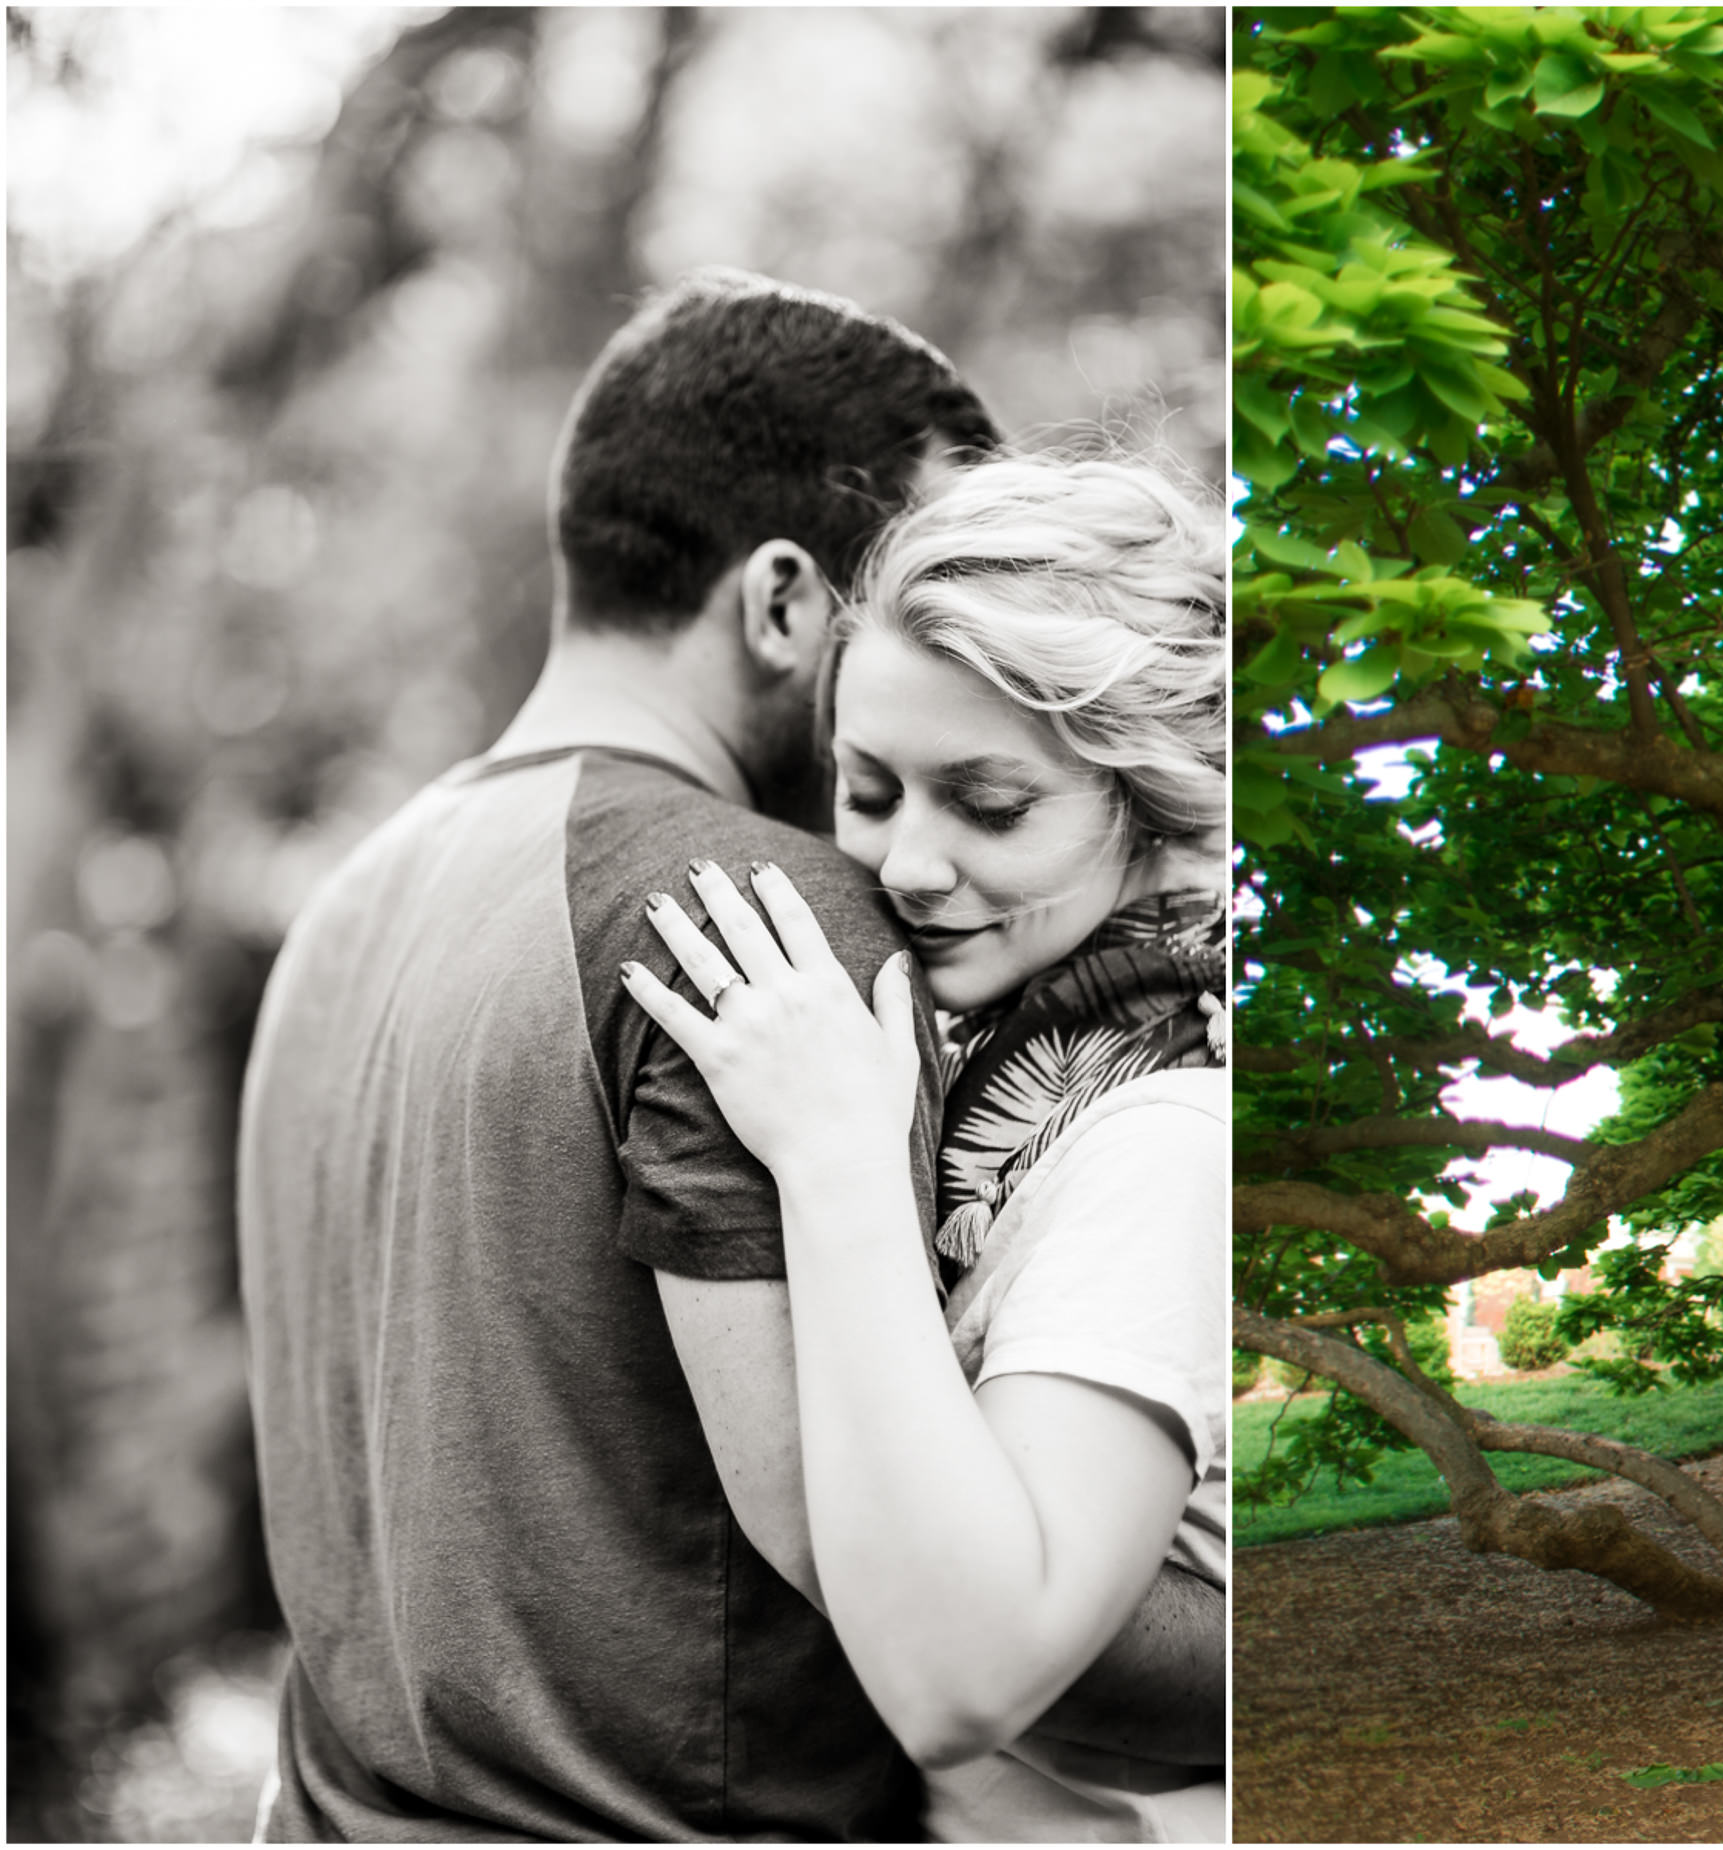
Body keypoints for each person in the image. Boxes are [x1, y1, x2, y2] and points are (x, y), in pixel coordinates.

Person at [234, 270, 1217, 1842]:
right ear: (779, 601)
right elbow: (925, 1600)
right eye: (888, 573)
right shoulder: (748, 921)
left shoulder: (351, 902)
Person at [623, 449, 1228, 1841]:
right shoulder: (1004, 1079)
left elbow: (961, 1678)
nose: (904, 863)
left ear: (1157, 799)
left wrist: (833, 1157)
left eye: (990, 805)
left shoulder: (1161, 1146)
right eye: (871, 789)